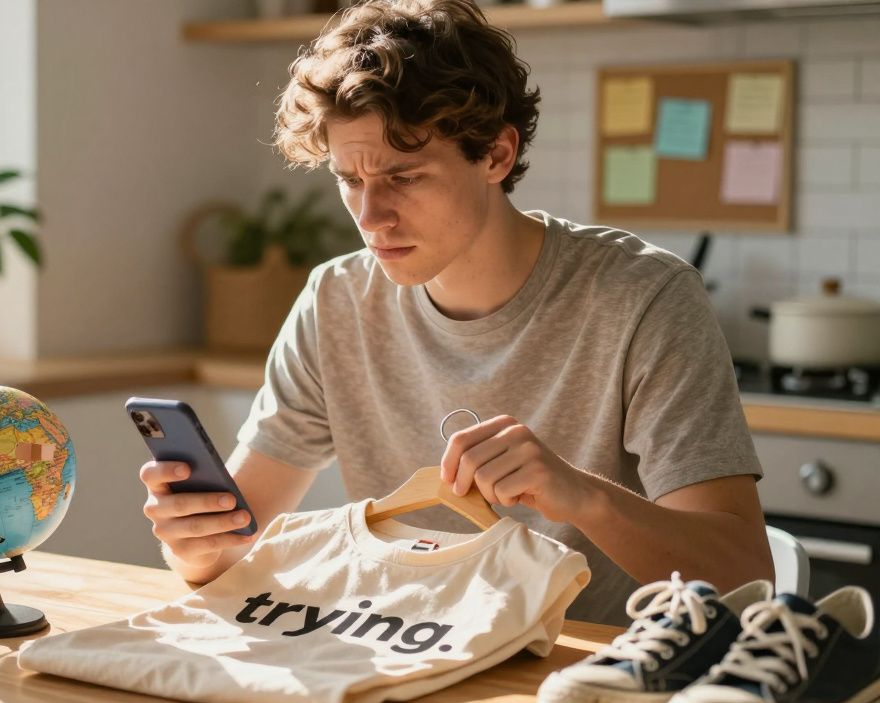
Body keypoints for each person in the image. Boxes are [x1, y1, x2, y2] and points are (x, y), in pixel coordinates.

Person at [141, 0, 772, 625]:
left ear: (496, 156)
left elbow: (744, 573)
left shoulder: (644, 298)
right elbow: (226, 556)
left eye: (405, 177)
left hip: (588, 672)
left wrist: (581, 496)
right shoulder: (336, 301)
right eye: (350, 181)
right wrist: (193, 543)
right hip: (404, 655)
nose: (370, 217)